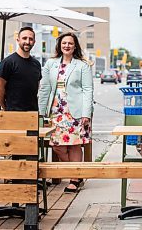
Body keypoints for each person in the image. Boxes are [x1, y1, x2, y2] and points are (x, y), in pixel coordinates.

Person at [38, 32, 94, 193]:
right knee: (58, 147)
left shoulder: (82, 65)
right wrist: (42, 112)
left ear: (75, 46)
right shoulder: (51, 64)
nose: (67, 46)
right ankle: (75, 173)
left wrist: (86, 113)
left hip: (76, 111)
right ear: (59, 46)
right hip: (56, 112)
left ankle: (74, 180)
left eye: (70, 43)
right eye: (64, 43)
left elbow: (87, 89)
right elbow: (45, 88)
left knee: (75, 145)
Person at [0, 26, 41, 111]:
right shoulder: (8, 62)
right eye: (24, 38)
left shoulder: (37, 64)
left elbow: (37, 87)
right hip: (13, 114)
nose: (27, 42)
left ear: (34, 42)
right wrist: (6, 108)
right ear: (18, 40)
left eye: (30, 39)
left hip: (33, 114)